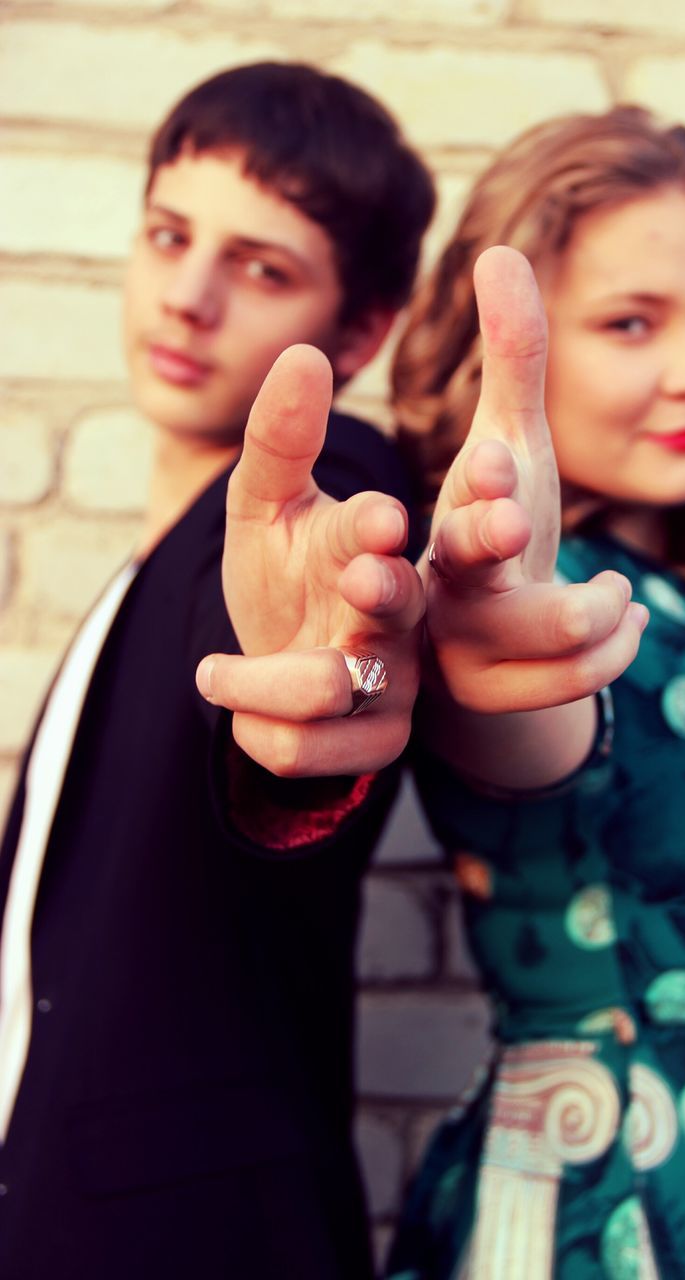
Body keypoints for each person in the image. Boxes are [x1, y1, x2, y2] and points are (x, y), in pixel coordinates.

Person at [385, 108, 685, 1279]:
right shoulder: (542, 599)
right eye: (630, 322)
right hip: (629, 1188)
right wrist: (487, 621)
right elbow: (528, 712)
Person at [0, 61, 436, 1280]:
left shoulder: (331, 489)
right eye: (169, 235)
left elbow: (283, 700)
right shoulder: (143, 565)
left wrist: (317, 691)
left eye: (262, 266)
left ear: (359, 330)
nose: (185, 295)